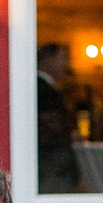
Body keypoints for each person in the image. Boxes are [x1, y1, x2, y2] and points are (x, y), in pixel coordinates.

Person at [36, 42, 78, 193]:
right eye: (62, 58)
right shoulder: (43, 89)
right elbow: (50, 125)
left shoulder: (43, 87)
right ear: (47, 59)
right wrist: (68, 133)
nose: (65, 64)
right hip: (51, 162)